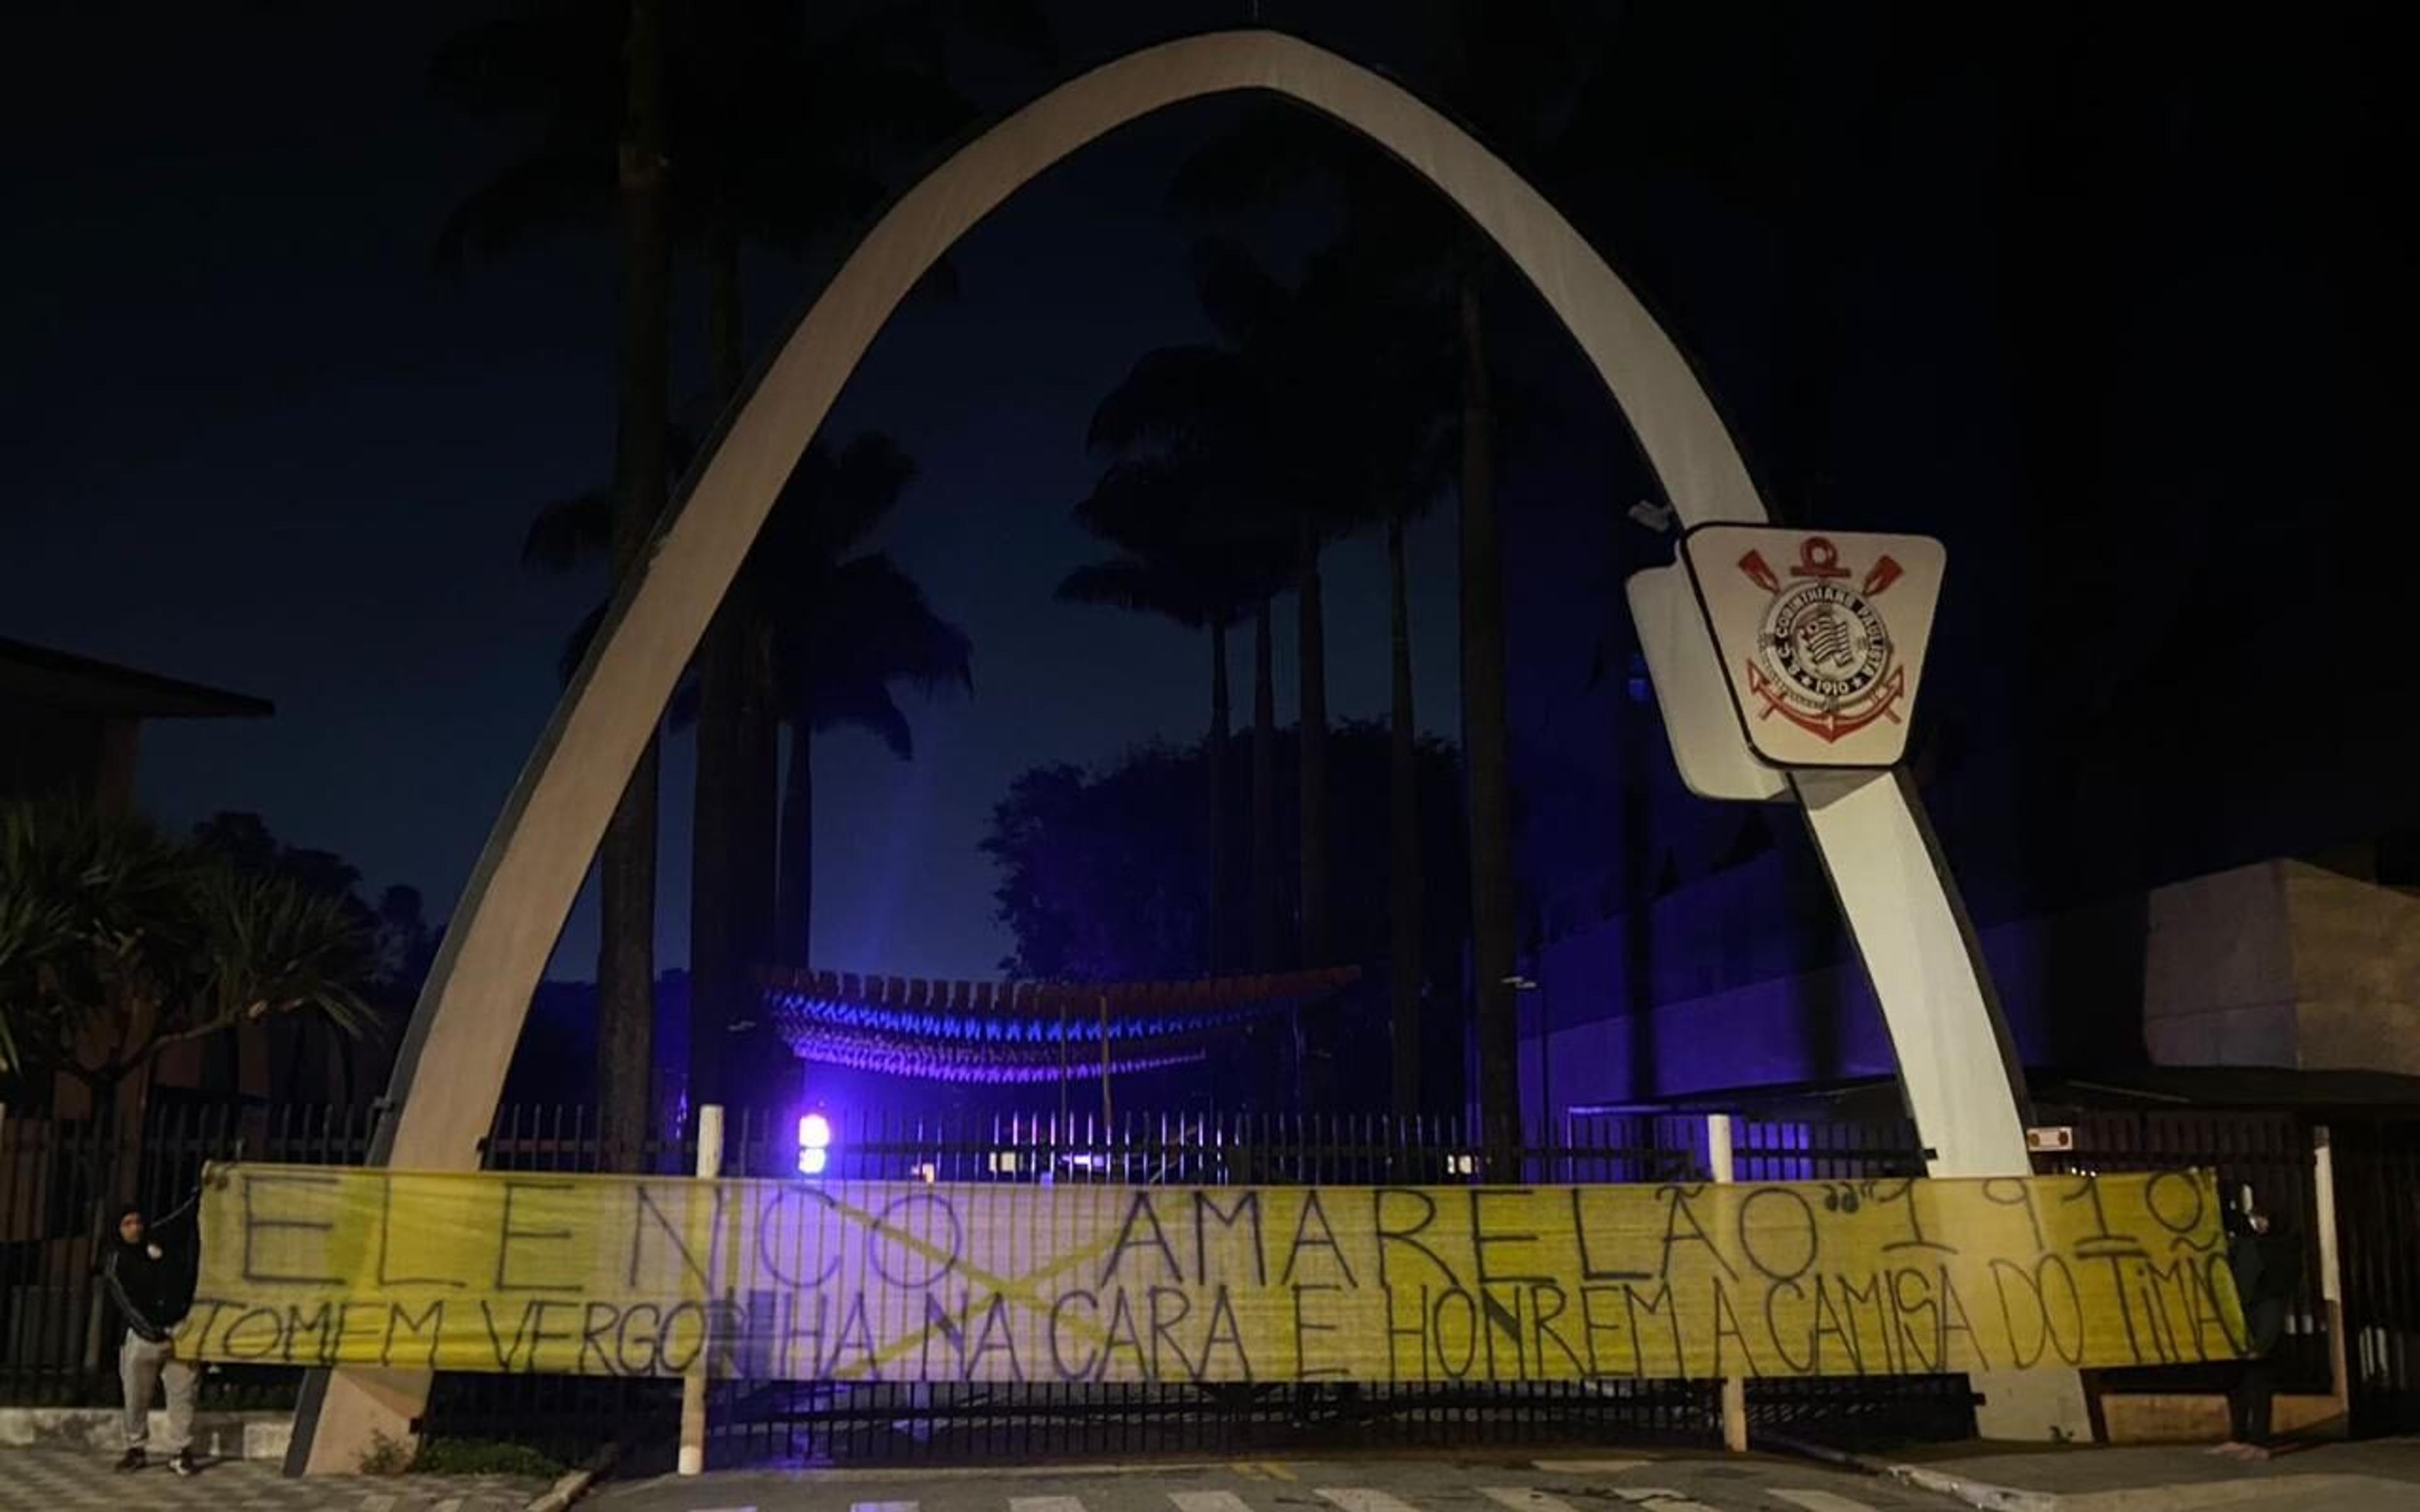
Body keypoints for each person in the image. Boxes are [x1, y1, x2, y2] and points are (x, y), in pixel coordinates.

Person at [100, 1198, 199, 1475]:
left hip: (177, 1332)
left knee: (183, 1394)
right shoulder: (117, 1259)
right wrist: (150, 1330)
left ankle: (182, 1450)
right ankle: (135, 1448)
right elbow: (124, 1302)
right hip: (143, 1338)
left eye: (138, 1222)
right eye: (127, 1224)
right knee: (136, 1396)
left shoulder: (157, 1248)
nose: (135, 1228)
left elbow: (181, 1218)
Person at [2216, 1184, 2302, 1460]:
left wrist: (2264, 1339)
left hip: (2263, 1319)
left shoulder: (2280, 1248)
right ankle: (2239, 1436)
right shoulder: (2246, 1242)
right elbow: (2231, 1221)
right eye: (2255, 1218)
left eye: (2263, 1218)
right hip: (2241, 1316)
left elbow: (2276, 1298)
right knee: (2236, 1382)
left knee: (2259, 1381)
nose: (2258, 1224)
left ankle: (2260, 1441)